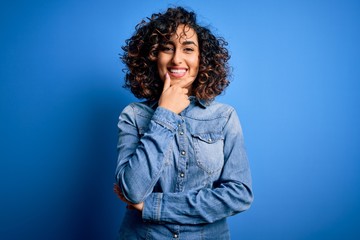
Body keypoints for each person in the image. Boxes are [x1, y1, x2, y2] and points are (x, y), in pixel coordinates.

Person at [114, 6, 253, 239]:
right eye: (167, 48)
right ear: (153, 56)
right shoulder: (133, 115)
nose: (177, 59)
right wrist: (165, 113)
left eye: (188, 48)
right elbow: (132, 191)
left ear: (202, 59)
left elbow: (239, 195)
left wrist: (154, 207)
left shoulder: (224, 117)